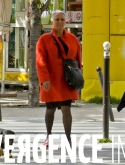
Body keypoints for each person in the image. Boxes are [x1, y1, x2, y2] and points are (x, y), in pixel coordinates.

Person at [36, 10, 82, 147]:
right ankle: (48, 136)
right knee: (50, 110)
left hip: (67, 80)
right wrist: (44, 79)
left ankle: (68, 139)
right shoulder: (44, 39)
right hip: (51, 81)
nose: (60, 22)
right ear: (52, 22)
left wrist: (78, 78)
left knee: (66, 109)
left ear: (66, 21)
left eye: (62, 19)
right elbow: (40, 60)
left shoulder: (73, 39)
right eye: (57, 19)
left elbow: (78, 61)